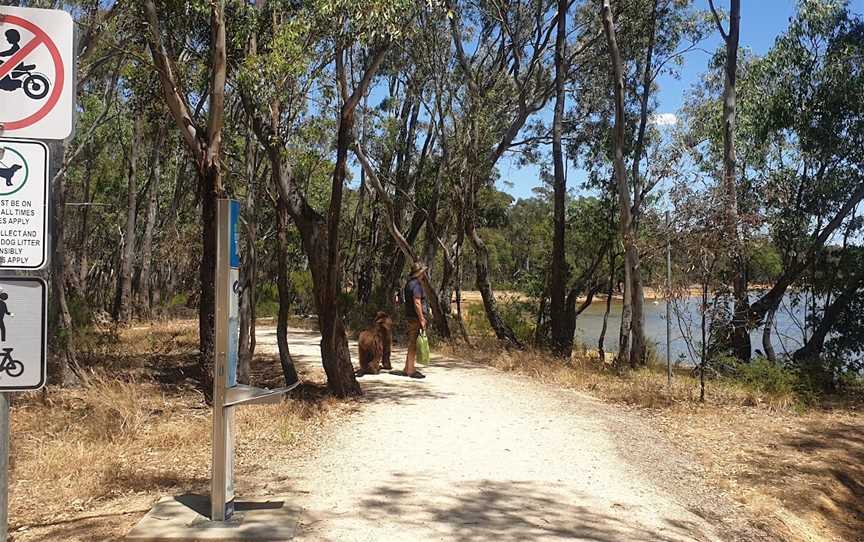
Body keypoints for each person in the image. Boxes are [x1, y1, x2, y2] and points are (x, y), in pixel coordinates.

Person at [397, 263, 428, 379]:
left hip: (410, 317)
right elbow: (417, 302)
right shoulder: (416, 285)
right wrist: (422, 319)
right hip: (415, 318)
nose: (424, 274)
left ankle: (407, 367)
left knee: (412, 342)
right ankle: (411, 370)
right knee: (413, 344)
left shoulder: (409, 284)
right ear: (419, 272)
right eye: (423, 271)